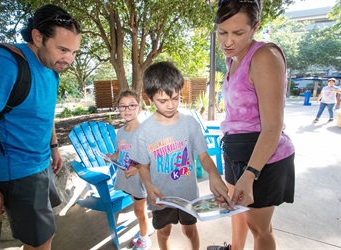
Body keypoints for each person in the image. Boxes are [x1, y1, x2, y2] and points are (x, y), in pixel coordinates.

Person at [0, 4, 81, 249]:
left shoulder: (51, 66)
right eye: (63, 49)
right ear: (38, 37)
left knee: (42, 234)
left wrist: (53, 146)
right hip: (16, 171)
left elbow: (45, 110)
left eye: (74, 52)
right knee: (41, 240)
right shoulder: (2, 66)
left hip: (41, 164)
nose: (69, 59)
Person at [207, 1, 296, 250]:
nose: (227, 41)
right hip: (236, 151)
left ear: (255, 27)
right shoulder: (233, 59)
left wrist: (250, 173)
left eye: (238, 33)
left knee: (260, 228)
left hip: (262, 157)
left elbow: (272, 126)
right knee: (236, 212)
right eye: (222, 32)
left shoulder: (265, 56)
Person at [129, 61, 231, 250]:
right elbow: (142, 166)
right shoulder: (144, 131)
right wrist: (148, 186)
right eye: (163, 101)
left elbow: (204, 157)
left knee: (190, 231)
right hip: (160, 198)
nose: (170, 105)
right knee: (164, 232)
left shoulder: (190, 124)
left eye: (175, 98)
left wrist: (215, 175)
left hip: (189, 197)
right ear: (150, 98)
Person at [108, 90, 153, 250]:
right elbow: (121, 152)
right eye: (123, 106)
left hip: (140, 179)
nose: (127, 110)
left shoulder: (144, 131)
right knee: (138, 206)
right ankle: (147, 226)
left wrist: (137, 167)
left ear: (139, 108)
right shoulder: (120, 132)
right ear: (118, 109)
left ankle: (144, 238)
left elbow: (152, 156)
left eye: (131, 105)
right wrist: (111, 156)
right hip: (128, 179)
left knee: (139, 211)